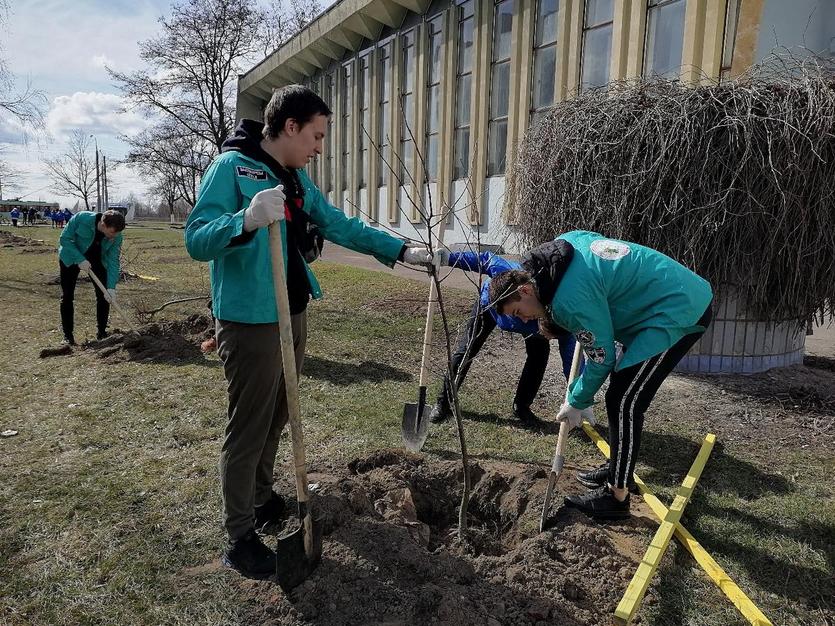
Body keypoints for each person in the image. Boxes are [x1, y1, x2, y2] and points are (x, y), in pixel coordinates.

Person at [185, 84, 432, 580]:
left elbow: (337, 223)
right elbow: (197, 239)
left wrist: (399, 250)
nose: (320, 148)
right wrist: (247, 219)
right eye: (316, 136)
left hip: (292, 311)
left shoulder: (295, 180)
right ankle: (239, 536)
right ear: (290, 126)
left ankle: (260, 498)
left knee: (279, 414)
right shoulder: (231, 168)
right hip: (251, 320)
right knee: (249, 425)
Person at [489, 230, 712, 520]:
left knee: (625, 401)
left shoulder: (569, 299)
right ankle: (620, 466)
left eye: (518, 311)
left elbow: (602, 356)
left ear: (526, 290)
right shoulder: (559, 253)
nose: (523, 319)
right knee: (620, 393)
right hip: (658, 302)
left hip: (677, 310)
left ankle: (616, 496)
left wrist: (577, 399)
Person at [431, 249, 580, 425]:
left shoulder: (554, 311)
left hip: (533, 315)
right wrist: (449, 258)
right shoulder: (510, 275)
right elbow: (485, 258)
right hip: (489, 307)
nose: (523, 319)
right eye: (517, 314)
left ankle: (522, 406)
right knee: (466, 350)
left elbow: (571, 354)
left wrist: (578, 396)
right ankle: (444, 403)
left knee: (539, 355)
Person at [57, 209, 126, 345]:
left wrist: (111, 287)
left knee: (104, 295)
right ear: (103, 224)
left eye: (118, 233)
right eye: (112, 232)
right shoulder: (82, 218)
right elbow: (64, 239)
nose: (115, 236)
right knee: (67, 296)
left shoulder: (117, 236)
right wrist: (79, 259)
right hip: (70, 257)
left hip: (97, 260)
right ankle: (68, 336)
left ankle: (102, 333)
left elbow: (113, 261)